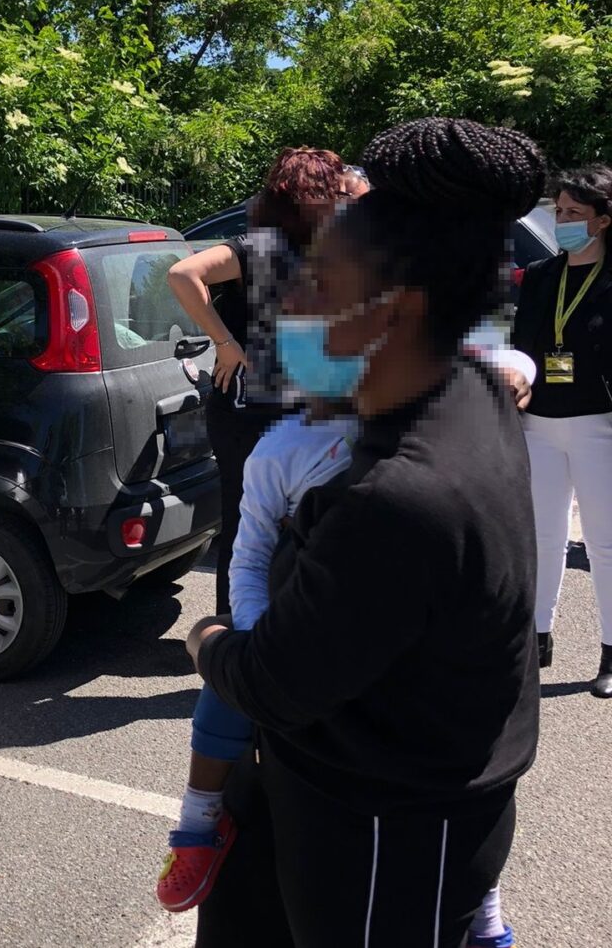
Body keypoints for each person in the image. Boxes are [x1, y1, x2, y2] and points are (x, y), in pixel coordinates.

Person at [184, 117, 545, 947]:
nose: (293, 306)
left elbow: (273, 677)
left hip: (392, 824)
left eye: (322, 282)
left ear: (394, 311)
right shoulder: (463, 390)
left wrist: (205, 638)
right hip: (356, 784)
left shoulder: (401, 495)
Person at [168, 147, 346, 615]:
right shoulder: (259, 248)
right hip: (248, 412)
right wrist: (224, 342)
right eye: (332, 193)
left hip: (304, 410)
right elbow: (183, 275)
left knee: (306, 525)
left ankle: (281, 635)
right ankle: (234, 640)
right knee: (248, 525)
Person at [509, 166, 612, 698]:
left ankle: (610, 654)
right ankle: (536, 641)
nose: (564, 220)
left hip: (600, 426)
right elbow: (523, 344)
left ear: (602, 221)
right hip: (541, 424)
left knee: (604, 543)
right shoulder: (543, 275)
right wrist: (518, 380)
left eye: (575, 214)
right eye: (560, 211)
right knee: (542, 538)